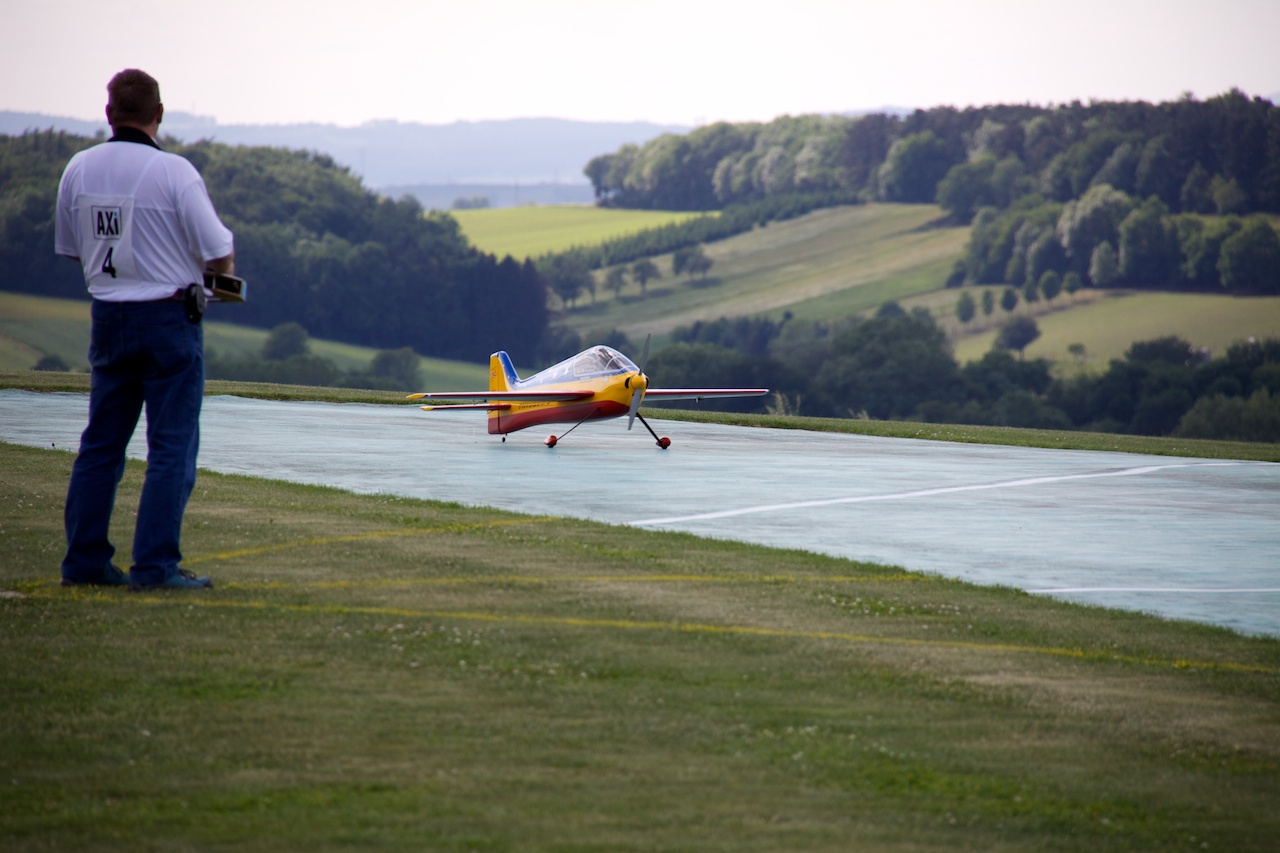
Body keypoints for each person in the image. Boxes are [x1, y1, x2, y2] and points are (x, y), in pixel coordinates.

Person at [55, 69, 234, 590]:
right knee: (171, 447)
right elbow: (218, 249)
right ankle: (155, 568)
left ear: (109, 113)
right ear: (159, 114)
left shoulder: (78, 168)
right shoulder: (174, 172)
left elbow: (73, 248)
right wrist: (216, 280)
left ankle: (84, 563)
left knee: (101, 445)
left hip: (108, 316)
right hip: (168, 318)